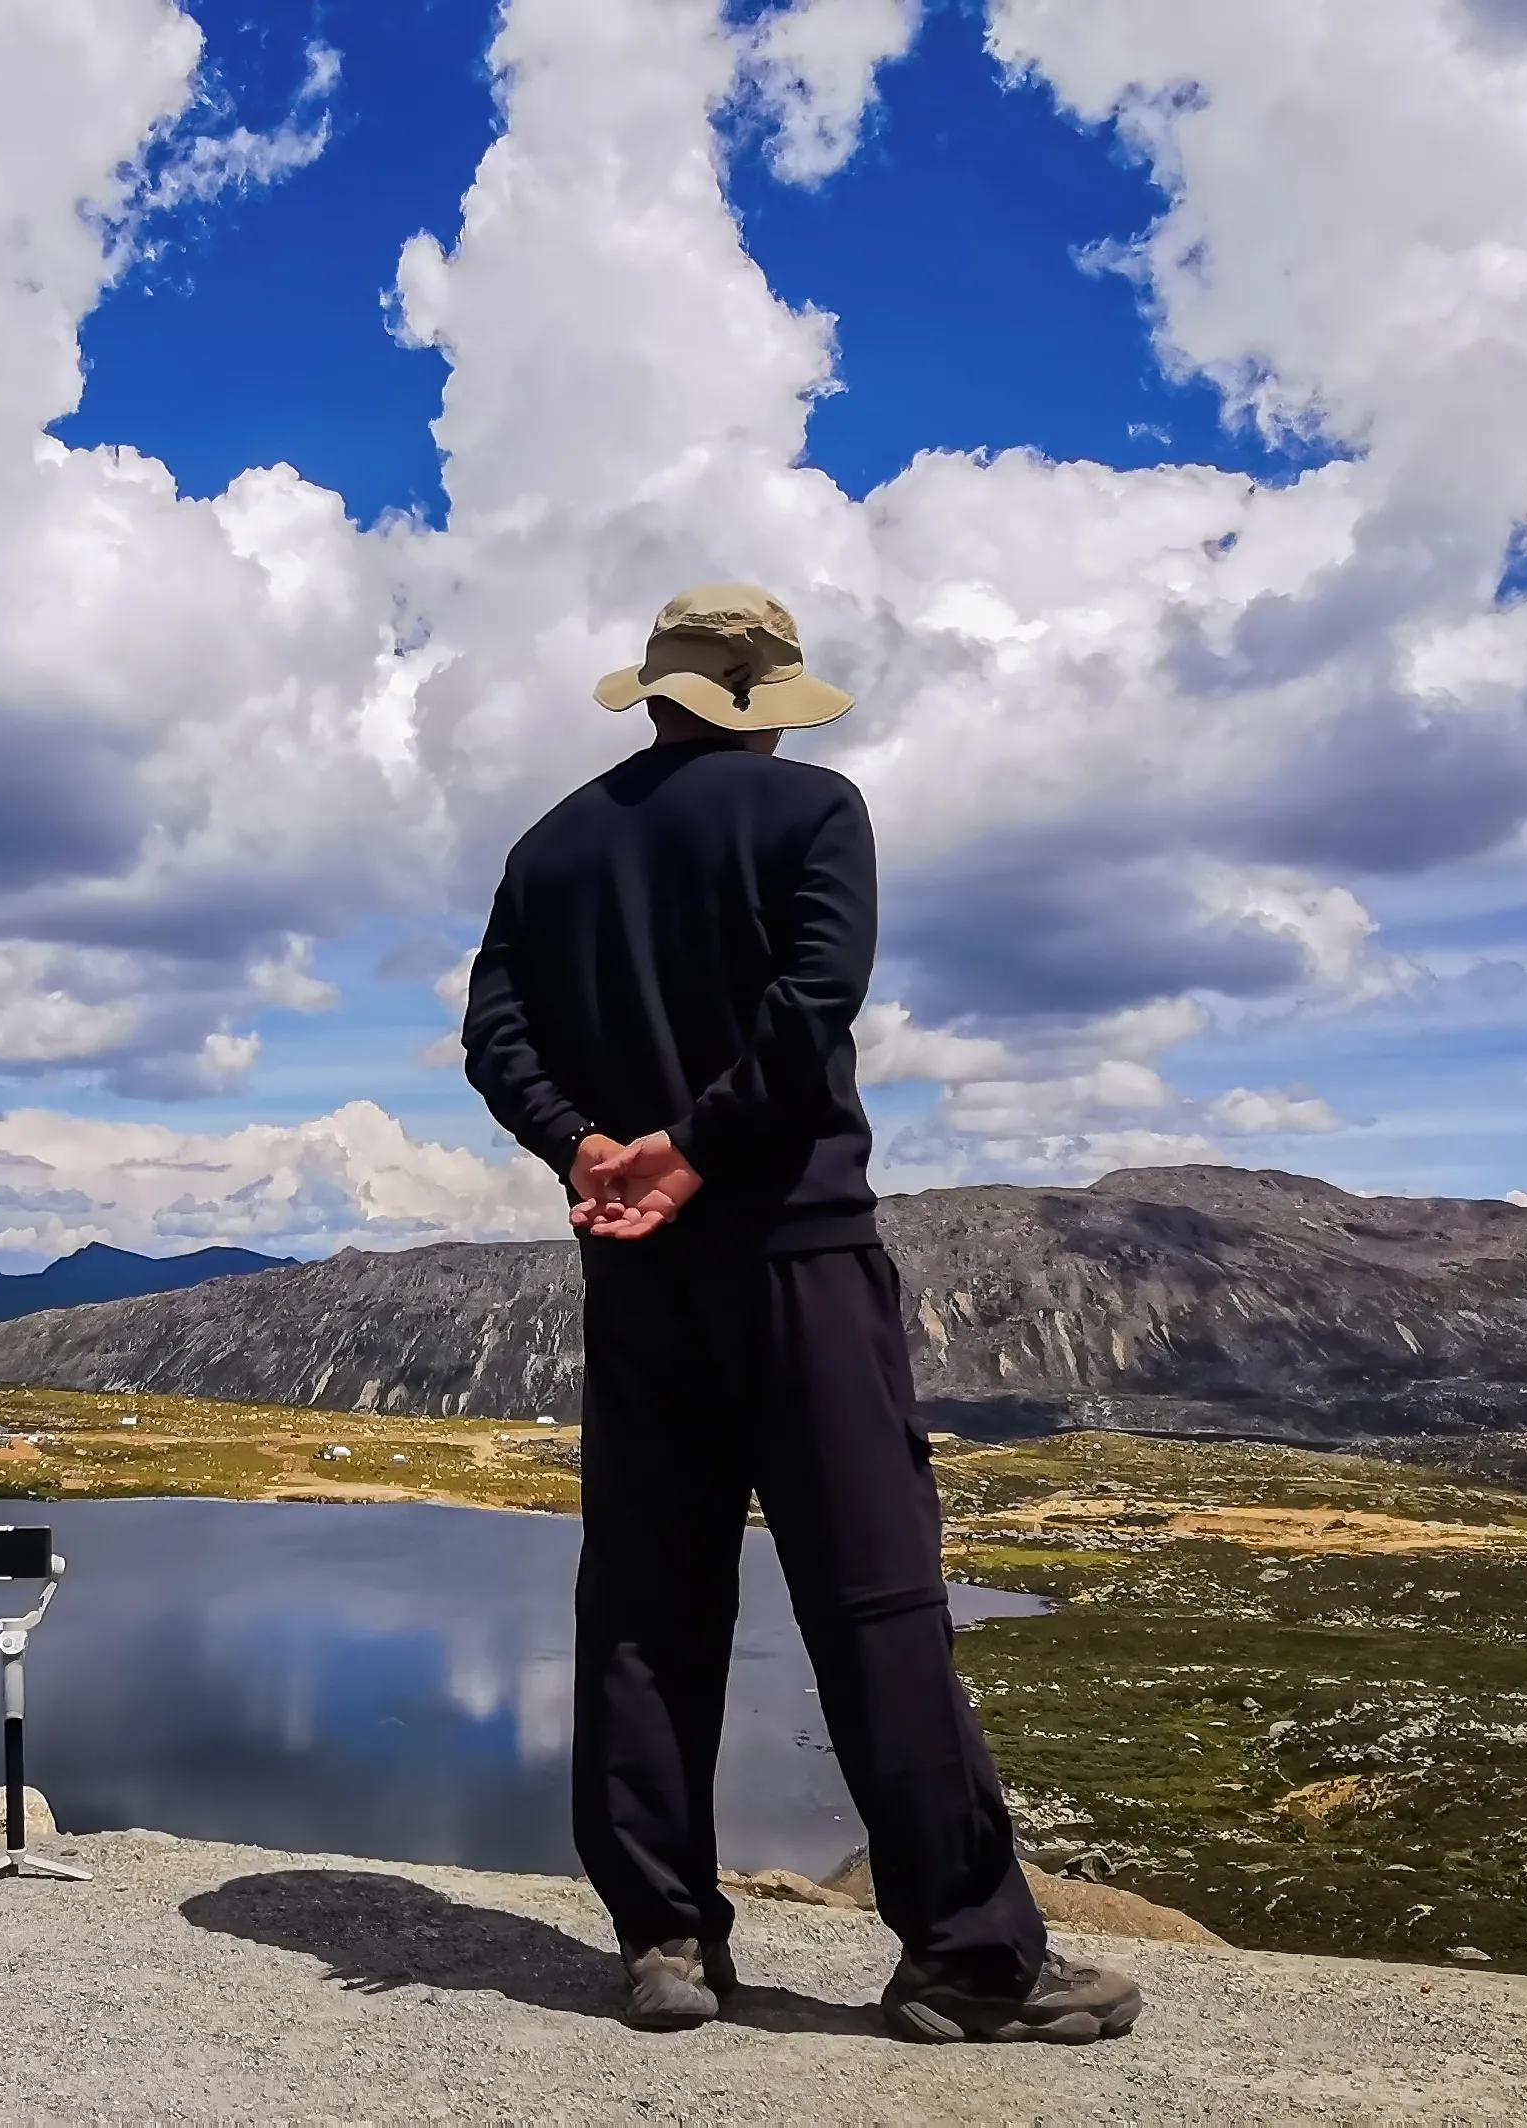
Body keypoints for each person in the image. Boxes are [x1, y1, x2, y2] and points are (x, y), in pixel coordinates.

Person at [461, 583, 1140, 2045]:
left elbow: (491, 1036)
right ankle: (966, 1955)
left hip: (634, 1273)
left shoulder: (551, 845)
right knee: (876, 1598)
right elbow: (811, 1004)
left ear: (650, 694)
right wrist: (697, 1149)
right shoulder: (815, 815)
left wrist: (582, 1142)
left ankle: (664, 1940)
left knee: (645, 1604)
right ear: (763, 704)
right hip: (798, 1257)